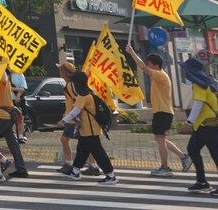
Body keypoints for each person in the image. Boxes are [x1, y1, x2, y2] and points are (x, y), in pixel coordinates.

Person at [125, 44, 192, 176]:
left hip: (163, 111)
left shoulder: (160, 75)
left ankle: (165, 167)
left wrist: (132, 52)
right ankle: (183, 157)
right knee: (159, 138)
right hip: (162, 111)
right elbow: (145, 67)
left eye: (149, 63)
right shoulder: (160, 75)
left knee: (160, 139)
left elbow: (143, 67)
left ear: (155, 65)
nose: (148, 66)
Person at [57, 71, 118, 185]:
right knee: (82, 151)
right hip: (86, 130)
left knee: (98, 153)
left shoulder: (83, 96)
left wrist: (63, 121)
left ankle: (111, 175)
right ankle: (75, 171)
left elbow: (75, 111)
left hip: (90, 130)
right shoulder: (88, 93)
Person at [177, 58, 218, 193]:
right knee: (192, 149)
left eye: (185, 69)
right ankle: (201, 181)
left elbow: (199, 105)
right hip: (203, 125)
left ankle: (202, 181)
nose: (184, 72)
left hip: (208, 125)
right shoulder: (205, 82)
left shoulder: (200, 85)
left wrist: (188, 123)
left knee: (215, 154)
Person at [0, 69, 28, 178]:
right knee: (12, 143)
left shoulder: (2, 78)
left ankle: (0, 163)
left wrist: (0, 63)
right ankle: (21, 168)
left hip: (2, 115)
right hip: (6, 115)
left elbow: (2, 75)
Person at [10, 68, 28, 143]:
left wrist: (18, 95)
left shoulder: (20, 74)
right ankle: (13, 135)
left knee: (20, 118)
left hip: (19, 99)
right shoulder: (6, 75)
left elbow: (23, 88)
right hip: (9, 99)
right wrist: (18, 89)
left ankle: (21, 135)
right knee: (11, 118)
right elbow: (7, 88)